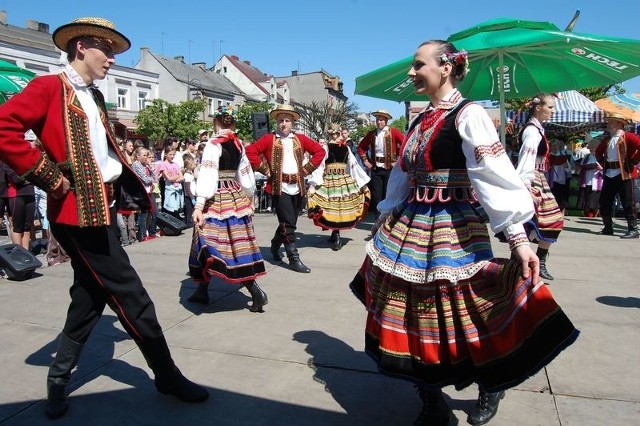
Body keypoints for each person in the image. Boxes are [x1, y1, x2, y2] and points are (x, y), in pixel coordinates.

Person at [349, 40, 578, 426]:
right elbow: (404, 175)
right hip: (411, 224)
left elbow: (493, 178)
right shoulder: (419, 120)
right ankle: (430, 396)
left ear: (445, 68)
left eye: (418, 64)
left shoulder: (468, 114)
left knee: (470, 306)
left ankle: (492, 383)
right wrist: (386, 216)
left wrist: (519, 240)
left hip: (454, 226)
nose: (411, 72)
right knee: (411, 312)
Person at [0, 17, 208, 419]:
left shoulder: (92, 95)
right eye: (106, 50)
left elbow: (101, 154)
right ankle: (166, 375)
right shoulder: (48, 87)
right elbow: (4, 127)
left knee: (89, 296)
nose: (112, 59)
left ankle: (59, 379)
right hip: (77, 213)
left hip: (102, 207)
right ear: (81, 47)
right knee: (131, 294)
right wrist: (50, 178)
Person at [187, 105, 268, 312]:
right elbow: (246, 177)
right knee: (238, 244)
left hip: (218, 198)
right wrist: (249, 198)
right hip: (235, 195)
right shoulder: (238, 144)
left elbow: (208, 176)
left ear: (217, 122)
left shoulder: (214, 145)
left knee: (204, 239)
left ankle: (252, 291)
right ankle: (204, 290)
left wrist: (199, 205)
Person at [245, 104, 325, 273]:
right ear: (277, 122)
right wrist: (265, 170)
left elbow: (319, 151)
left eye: (287, 120)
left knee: (288, 223)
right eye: (281, 120)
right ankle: (293, 258)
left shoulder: (300, 139)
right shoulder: (269, 139)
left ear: (292, 122)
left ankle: (274, 245)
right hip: (278, 187)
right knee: (288, 224)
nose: (283, 124)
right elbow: (250, 151)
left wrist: (306, 170)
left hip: (298, 187)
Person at [514, 93, 564, 281]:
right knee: (542, 222)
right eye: (550, 107)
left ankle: (533, 262)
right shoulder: (532, 131)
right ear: (538, 107)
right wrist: (527, 185)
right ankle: (524, 264)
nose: (552, 111)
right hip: (531, 178)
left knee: (539, 223)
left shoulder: (537, 129)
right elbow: (525, 160)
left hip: (537, 178)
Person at [307, 124, 370, 250]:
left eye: (334, 134)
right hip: (343, 180)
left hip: (332, 179)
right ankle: (335, 234)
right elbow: (354, 167)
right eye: (335, 134)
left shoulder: (327, 148)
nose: (335, 136)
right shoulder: (344, 148)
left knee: (333, 207)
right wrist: (363, 184)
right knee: (338, 208)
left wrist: (313, 184)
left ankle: (336, 236)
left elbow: (320, 166)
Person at [595, 112, 640, 238]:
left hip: (624, 175)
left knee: (627, 203)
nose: (608, 124)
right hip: (609, 174)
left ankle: (633, 229)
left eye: (611, 122)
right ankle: (608, 227)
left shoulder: (629, 136)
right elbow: (598, 152)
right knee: (604, 201)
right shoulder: (608, 139)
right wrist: (604, 164)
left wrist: (634, 161)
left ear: (619, 123)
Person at [356, 109, 404, 219]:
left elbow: (405, 145)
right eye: (377, 120)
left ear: (386, 121)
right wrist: (366, 161)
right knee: (376, 197)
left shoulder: (394, 132)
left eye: (381, 120)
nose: (378, 122)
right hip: (376, 169)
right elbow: (361, 147)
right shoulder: (372, 134)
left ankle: (388, 222)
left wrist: (397, 161)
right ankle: (377, 223)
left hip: (389, 170)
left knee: (388, 196)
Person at [131, 147, 159, 241]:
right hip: (142, 192)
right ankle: (142, 235)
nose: (146, 157)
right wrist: (150, 178)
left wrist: (151, 167)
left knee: (154, 212)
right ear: (138, 156)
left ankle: (152, 232)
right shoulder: (136, 165)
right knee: (144, 214)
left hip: (149, 191)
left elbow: (154, 178)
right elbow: (146, 179)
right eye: (144, 155)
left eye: (147, 155)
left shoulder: (146, 165)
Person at [576, 138, 603, 218]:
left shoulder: (602, 157)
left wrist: (600, 168)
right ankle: (587, 214)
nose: (590, 149)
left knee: (594, 202)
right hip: (586, 181)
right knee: (586, 200)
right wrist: (579, 168)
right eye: (590, 147)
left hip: (597, 182)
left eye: (592, 147)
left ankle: (593, 215)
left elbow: (606, 169)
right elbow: (580, 168)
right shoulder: (587, 156)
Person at [547, 138, 574, 216]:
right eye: (553, 146)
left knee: (561, 198)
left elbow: (569, 169)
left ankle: (559, 214)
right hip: (551, 181)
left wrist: (566, 166)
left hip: (561, 181)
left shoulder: (563, 156)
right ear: (550, 147)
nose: (555, 147)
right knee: (552, 199)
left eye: (556, 146)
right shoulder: (548, 156)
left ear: (559, 147)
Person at [158, 145, 184, 219]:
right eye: (170, 154)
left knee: (177, 209)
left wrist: (176, 178)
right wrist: (177, 176)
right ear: (166, 154)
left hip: (178, 188)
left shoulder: (175, 164)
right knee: (170, 209)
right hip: (170, 189)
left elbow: (182, 177)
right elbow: (169, 179)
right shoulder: (163, 164)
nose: (172, 156)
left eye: (173, 154)